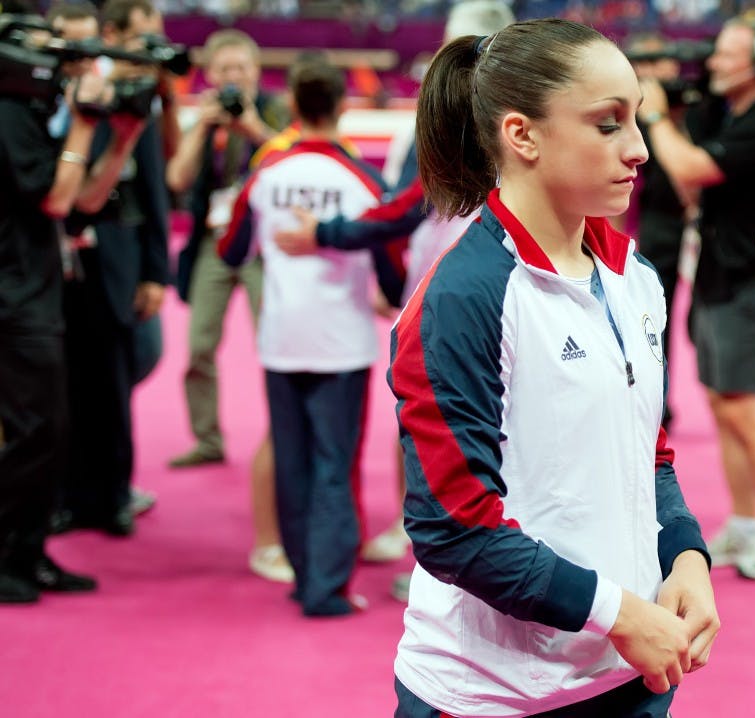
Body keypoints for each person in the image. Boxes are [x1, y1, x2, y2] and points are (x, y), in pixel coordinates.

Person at [389, 19, 718, 716]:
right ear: (523, 136)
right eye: (608, 124)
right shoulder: (463, 298)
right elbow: (454, 529)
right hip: (494, 694)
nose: (638, 149)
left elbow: (646, 450)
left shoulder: (636, 277)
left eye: (636, 118)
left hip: (629, 674)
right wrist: (621, 614)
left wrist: (685, 555)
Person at [274, 0, 517, 597]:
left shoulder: (466, 131)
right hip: (461, 284)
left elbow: (403, 206)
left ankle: (444, 556)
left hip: (463, 289)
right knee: (466, 422)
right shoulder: (475, 125)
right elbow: (406, 207)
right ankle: (433, 545)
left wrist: (326, 236)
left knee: (450, 422)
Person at [218, 59, 403, 616]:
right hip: (340, 342)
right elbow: (390, 256)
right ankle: (327, 587)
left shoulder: (267, 172)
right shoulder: (361, 179)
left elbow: (230, 249)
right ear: (342, 106)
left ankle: (305, 576)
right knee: (334, 462)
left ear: (294, 107)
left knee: (293, 459)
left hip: (280, 337)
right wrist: (389, 291)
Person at [637, 17, 755, 581]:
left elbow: (687, 166)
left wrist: (656, 114)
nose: (712, 62)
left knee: (741, 409)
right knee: (720, 404)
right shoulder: (730, 115)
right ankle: (745, 521)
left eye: (728, 54)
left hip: (752, 283)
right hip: (717, 276)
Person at [0, 0, 146, 603]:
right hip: (14, 295)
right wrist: (86, 126)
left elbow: (86, 200)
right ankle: (10, 556)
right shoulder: (9, 112)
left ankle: (28, 554)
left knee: (51, 431)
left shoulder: (33, 110)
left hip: (39, 290)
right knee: (35, 432)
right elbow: (58, 200)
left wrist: (123, 138)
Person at [166, 28, 292, 583]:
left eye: (241, 68)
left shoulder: (275, 113)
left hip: (262, 246)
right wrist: (206, 129)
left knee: (275, 346)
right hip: (215, 247)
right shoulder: (200, 118)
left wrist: (250, 128)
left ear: (255, 69)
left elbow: (289, 162)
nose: (233, 78)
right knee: (197, 346)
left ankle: (280, 436)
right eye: (223, 70)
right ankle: (207, 437)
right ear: (210, 74)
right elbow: (177, 179)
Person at [47, 0, 169, 538]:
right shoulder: (43, 91)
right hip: (52, 264)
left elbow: (155, 195)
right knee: (57, 386)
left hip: (117, 260)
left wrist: (154, 273)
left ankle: (114, 495)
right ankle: (63, 495)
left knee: (115, 384)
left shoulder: (137, 101)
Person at [625, 31, 698, 431]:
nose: (652, 73)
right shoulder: (635, 112)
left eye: (659, 63)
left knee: (700, 324)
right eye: (643, 66)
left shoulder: (699, 104)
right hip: (660, 225)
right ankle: (658, 398)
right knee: (656, 318)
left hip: (708, 229)